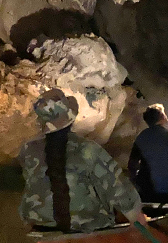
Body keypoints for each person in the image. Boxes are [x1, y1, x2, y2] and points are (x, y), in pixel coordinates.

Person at [18, 88, 148, 233]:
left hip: (40, 224)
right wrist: (135, 214)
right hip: (85, 224)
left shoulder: (28, 150)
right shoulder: (87, 149)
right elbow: (115, 183)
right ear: (70, 117)